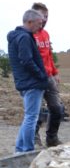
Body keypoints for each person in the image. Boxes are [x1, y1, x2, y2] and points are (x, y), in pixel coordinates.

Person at [7, 9, 49, 153]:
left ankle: (19, 150)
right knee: (31, 117)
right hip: (31, 83)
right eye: (39, 23)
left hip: (25, 83)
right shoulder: (24, 37)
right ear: (29, 22)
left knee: (28, 117)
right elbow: (26, 60)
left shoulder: (17, 37)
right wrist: (41, 76)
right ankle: (28, 151)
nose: (40, 26)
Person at [31, 2, 64, 147]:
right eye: (42, 16)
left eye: (47, 17)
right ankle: (34, 139)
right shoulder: (29, 35)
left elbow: (48, 55)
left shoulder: (45, 34)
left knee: (57, 108)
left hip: (49, 78)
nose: (45, 20)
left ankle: (52, 138)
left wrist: (55, 72)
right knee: (35, 111)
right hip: (35, 78)